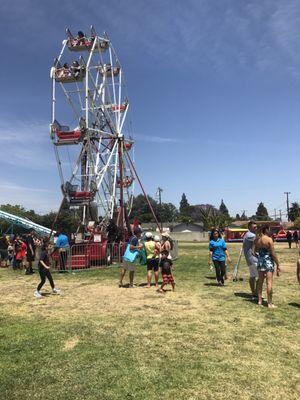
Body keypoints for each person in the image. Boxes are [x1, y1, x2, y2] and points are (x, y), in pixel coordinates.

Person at [253, 225, 280, 308]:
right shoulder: (269, 239)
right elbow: (273, 254)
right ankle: (269, 303)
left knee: (260, 282)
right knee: (269, 282)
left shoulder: (256, 240)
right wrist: (278, 264)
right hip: (268, 262)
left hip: (260, 262)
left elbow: (253, 252)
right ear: (266, 230)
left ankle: (260, 301)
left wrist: (260, 257)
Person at [243, 221, 258, 299]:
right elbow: (260, 240)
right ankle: (256, 293)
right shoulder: (251, 235)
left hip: (250, 259)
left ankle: (254, 293)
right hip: (253, 259)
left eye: (256, 227)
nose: (256, 228)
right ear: (249, 227)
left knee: (252, 276)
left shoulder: (247, 234)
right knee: (260, 276)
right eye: (254, 227)